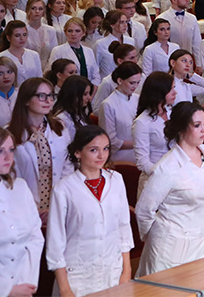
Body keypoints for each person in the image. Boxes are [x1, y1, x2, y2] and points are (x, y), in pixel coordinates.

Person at [46, 125, 133, 297]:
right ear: (78, 152)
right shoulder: (64, 189)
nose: (101, 155)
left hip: (113, 271)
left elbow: (123, 228)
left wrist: (126, 272)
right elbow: (55, 243)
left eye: (105, 149)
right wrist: (65, 288)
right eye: (94, 150)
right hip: (78, 277)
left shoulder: (116, 180)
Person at [135, 101, 204, 276]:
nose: (203, 130)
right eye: (197, 125)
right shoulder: (168, 167)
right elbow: (144, 211)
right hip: (172, 249)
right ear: (181, 128)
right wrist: (159, 235)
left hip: (203, 242)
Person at [9, 77, 74, 216]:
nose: (48, 101)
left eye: (51, 96)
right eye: (41, 96)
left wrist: (59, 201)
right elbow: (10, 175)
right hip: (24, 206)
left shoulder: (59, 127)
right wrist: (32, 209)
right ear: (26, 100)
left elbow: (67, 165)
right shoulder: (11, 133)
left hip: (57, 203)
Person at [0, 126, 45, 297]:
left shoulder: (20, 188)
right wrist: (5, 290)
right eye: (0, 151)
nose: (9, 157)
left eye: (11, 149)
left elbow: (35, 238)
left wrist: (27, 282)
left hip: (24, 286)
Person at [132, 71, 177, 196]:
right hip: (154, 181)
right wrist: (164, 175)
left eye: (174, 88)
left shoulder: (171, 112)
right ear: (159, 92)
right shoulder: (142, 122)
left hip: (176, 178)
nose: (175, 93)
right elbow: (143, 162)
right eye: (171, 89)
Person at [99, 61, 143, 163]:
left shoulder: (137, 98)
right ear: (119, 80)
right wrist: (137, 143)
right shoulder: (108, 104)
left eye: (138, 82)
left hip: (139, 151)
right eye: (132, 83)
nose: (135, 86)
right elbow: (111, 141)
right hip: (121, 157)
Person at [47, 18, 101, 87]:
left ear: (83, 33)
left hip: (88, 91)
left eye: (77, 31)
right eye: (70, 31)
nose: (73, 34)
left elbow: (96, 75)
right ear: (65, 33)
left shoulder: (89, 51)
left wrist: (91, 92)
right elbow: (53, 75)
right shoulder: (58, 50)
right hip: (66, 90)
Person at [0, 21, 43, 87]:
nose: (22, 38)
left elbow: (39, 78)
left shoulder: (34, 55)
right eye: (17, 35)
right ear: (8, 38)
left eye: (24, 35)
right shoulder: (1, 57)